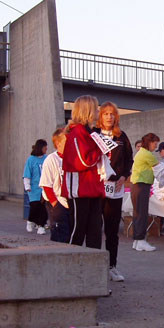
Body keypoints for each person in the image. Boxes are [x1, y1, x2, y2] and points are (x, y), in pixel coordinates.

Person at [94, 102, 134, 281]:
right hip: (96, 187)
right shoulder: (94, 134)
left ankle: (112, 266)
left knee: (112, 230)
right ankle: (94, 266)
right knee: (94, 229)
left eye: (112, 114)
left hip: (115, 188)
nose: (109, 117)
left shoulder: (121, 136)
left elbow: (129, 160)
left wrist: (124, 177)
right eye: (106, 114)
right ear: (100, 116)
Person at [61, 95, 105, 248]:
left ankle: (95, 259)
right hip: (79, 189)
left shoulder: (91, 132)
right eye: (96, 108)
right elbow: (83, 162)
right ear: (88, 110)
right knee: (77, 230)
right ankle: (70, 259)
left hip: (93, 188)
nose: (98, 111)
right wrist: (101, 149)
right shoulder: (77, 132)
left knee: (95, 231)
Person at [40, 126, 71, 243]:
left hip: (70, 202)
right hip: (57, 202)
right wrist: (55, 204)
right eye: (66, 141)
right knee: (60, 234)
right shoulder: (51, 160)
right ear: (58, 143)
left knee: (70, 234)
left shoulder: (72, 159)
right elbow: (46, 185)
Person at [130, 132, 160, 252]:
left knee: (138, 213)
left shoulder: (142, 153)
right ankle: (141, 240)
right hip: (141, 185)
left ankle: (137, 240)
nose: (156, 146)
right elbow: (159, 167)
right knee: (141, 213)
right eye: (155, 143)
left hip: (138, 185)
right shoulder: (146, 154)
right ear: (150, 143)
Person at [23, 139, 49, 234]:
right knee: (35, 206)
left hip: (44, 187)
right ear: (40, 147)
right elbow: (27, 174)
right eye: (45, 147)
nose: (46, 149)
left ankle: (41, 226)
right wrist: (27, 186)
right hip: (33, 188)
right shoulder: (31, 160)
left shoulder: (47, 158)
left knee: (42, 208)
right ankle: (30, 221)